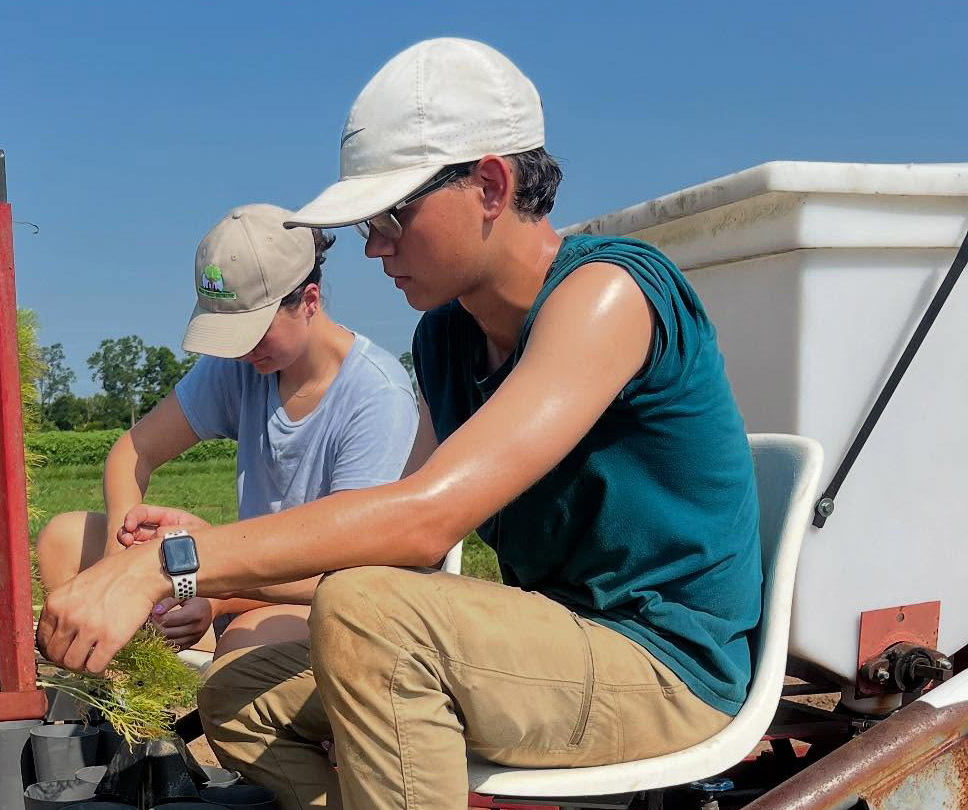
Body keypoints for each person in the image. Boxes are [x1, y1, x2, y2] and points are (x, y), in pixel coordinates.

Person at [38, 38, 761, 810]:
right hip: (545, 641)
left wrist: (171, 563)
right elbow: (395, 544)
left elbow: (424, 522)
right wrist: (219, 564)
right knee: (239, 696)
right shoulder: (447, 341)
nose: (374, 247)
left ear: (490, 183)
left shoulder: (607, 293)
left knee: (368, 615)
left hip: (662, 667)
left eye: (391, 215)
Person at [35, 203, 419, 658]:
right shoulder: (244, 368)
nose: (241, 353)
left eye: (253, 333)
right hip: (238, 579)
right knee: (64, 539)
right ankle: (122, 700)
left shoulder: (377, 396)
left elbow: (351, 572)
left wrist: (214, 593)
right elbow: (132, 452)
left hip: (329, 604)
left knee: (243, 641)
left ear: (309, 301)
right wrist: (120, 563)